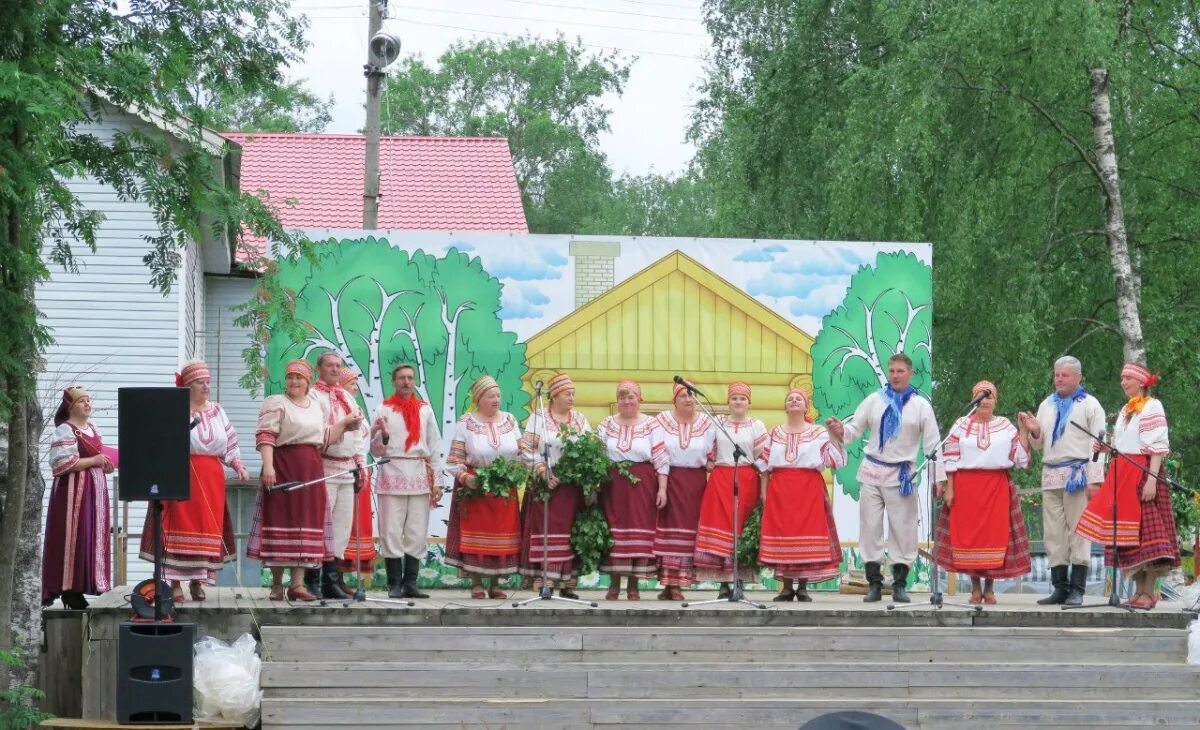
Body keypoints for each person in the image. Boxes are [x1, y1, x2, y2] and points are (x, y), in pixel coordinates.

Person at [826, 352, 943, 603]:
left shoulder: (921, 406)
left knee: (903, 529)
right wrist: (840, 431)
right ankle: (874, 584)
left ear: (910, 374)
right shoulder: (874, 401)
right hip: (871, 471)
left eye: (900, 371)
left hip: (902, 475)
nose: (895, 375)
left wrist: (938, 479)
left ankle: (899, 584)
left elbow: (933, 446)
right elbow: (854, 430)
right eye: (892, 371)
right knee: (870, 527)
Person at [139, 360, 249, 603]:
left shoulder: (218, 411)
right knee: (179, 525)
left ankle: (199, 582)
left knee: (205, 528)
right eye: (201, 383)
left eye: (208, 382)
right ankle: (176, 584)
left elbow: (230, 441)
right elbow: (161, 440)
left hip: (211, 478)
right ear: (188, 386)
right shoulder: (174, 409)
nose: (206, 387)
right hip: (180, 473)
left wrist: (237, 464)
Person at [249, 359, 358, 601]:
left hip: (311, 468)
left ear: (308, 381)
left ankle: (297, 585)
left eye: (299, 377)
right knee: (281, 521)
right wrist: (268, 467)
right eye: (291, 377)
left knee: (306, 522)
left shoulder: (314, 407)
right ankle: (277, 585)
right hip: (283, 465)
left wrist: (346, 426)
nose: (294, 381)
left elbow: (324, 437)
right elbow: (266, 436)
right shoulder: (277, 403)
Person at [1075, 362, 1178, 610]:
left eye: (1128, 379)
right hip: (1122, 475)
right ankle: (1138, 591)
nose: (1123, 383)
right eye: (1122, 379)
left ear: (1142, 382)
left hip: (1142, 474)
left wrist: (1152, 479)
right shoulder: (1126, 410)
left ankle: (1148, 592)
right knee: (1130, 536)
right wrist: (1108, 447)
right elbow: (1125, 444)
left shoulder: (1152, 406)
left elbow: (1156, 446)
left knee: (1147, 535)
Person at [1018, 355, 1106, 605]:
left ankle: (1078, 589)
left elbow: (1098, 445)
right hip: (1051, 474)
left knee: (1079, 531)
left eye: (1065, 375)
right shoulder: (1047, 404)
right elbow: (1039, 445)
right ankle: (1060, 587)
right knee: (1054, 533)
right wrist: (1034, 430)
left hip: (1077, 475)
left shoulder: (1090, 405)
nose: (1059, 379)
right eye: (1057, 374)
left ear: (1078, 377)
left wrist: (1094, 480)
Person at [933, 381, 1032, 604]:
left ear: (996, 401)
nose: (985, 401)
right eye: (980, 396)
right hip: (966, 486)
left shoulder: (1005, 426)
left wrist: (1024, 431)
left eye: (989, 397)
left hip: (996, 486)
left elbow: (1020, 459)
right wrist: (950, 487)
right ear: (973, 400)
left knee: (994, 537)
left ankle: (990, 588)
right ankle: (974, 588)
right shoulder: (961, 424)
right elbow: (950, 456)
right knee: (969, 538)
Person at [758, 388, 846, 602]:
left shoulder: (817, 432)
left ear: (806, 406)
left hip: (808, 489)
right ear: (785, 406)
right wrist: (764, 494)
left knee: (806, 533)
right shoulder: (775, 432)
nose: (794, 400)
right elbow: (764, 466)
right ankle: (787, 588)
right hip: (781, 489)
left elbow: (834, 461)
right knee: (785, 536)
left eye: (799, 399)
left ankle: (804, 587)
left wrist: (834, 436)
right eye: (790, 398)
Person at [444, 375, 523, 599]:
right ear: (479, 399)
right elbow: (454, 459)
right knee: (476, 536)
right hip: (476, 488)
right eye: (490, 396)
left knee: (502, 534)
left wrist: (519, 471)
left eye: (498, 395)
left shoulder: (509, 420)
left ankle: (496, 584)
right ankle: (477, 583)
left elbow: (520, 452)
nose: (496, 399)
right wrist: (465, 478)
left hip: (503, 489)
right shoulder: (467, 422)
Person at [369, 363, 443, 599]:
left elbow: (434, 447)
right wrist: (384, 436)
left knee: (416, 530)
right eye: (401, 378)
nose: (406, 382)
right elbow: (375, 450)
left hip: (420, 475)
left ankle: (411, 583)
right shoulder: (383, 409)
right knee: (390, 530)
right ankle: (394, 584)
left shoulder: (425, 411)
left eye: (410, 378)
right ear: (394, 382)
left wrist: (437, 481)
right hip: (392, 473)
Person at [519, 372, 591, 598]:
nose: (571, 398)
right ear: (555, 396)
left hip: (572, 485)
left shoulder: (579, 420)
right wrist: (542, 471)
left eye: (573, 394)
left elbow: (589, 448)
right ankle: (545, 579)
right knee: (547, 530)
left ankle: (568, 582)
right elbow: (526, 449)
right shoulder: (538, 418)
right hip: (546, 482)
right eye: (567, 394)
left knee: (571, 532)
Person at [693, 382, 768, 598]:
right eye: (734, 398)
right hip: (721, 477)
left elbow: (762, 456)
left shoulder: (756, 425)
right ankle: (722, 584)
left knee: (740, 530)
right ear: (728, 401)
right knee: (721, 529)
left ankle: (739, 582)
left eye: (742, 398)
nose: (738, 402)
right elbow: (708, 450)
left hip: (746, 478)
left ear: (749, 402)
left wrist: (762, 484)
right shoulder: (716, 423)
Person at [596, 380, 669, 600]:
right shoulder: (607, 424)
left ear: (639, 399)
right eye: (622, 397)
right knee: (614, 530)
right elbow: (597, 453)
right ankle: (614, 584)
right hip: (612, 482)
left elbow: (661, 456)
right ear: (617, 400)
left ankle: (634, 585)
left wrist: (662, 489)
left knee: (638, 531)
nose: (626, 401)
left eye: (631, 397)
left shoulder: (652, 424)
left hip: (642, 482)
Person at [43, 387, 114, 609]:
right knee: (75, 535)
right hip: (73, 493)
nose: (87, 404)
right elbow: (61, 464)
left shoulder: (92, 428)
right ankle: (69, 590)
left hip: (94, 492)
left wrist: (105, 463)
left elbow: (99, 456)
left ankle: (86, 585)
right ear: (70, 406)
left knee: (91, 536)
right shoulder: (66, 430)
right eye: (82, 401)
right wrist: (94, 461)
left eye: (88, 400)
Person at [653, 379, 717, 601]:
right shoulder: (662, 421)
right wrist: (662, 487)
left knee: (690, 534)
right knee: (668, 532)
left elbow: (713, 454)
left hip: (696, 483)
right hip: (669, 479)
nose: (688, 399)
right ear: (675, 400)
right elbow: (658, 450)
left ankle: (679, 583)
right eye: (683, 395)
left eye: (691, 395)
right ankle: (668, 584)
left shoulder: (707, 424)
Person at [310, 352, 366, 599]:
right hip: (323, 468)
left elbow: (358, 437)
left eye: (338, 366)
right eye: (329, 365)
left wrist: (361, 466)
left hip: (346, 469)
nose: (334, 369)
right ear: (319, 369)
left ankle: (330, 582)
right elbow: (317, 433)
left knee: (341, 528)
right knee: (320, 527)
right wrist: (344, 424)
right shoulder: (313, 396)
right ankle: (312, 582)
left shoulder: (346, 396)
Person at [339, 370, 377, 594]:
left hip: (360, 474)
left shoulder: (358, 411)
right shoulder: (337, 410)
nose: (355, 388)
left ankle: (343, 579)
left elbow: (370, 448)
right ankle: (333, 579)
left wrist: (379, 433)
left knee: (355, 525)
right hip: (342, 472)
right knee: (341, 524)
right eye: (351, 384)